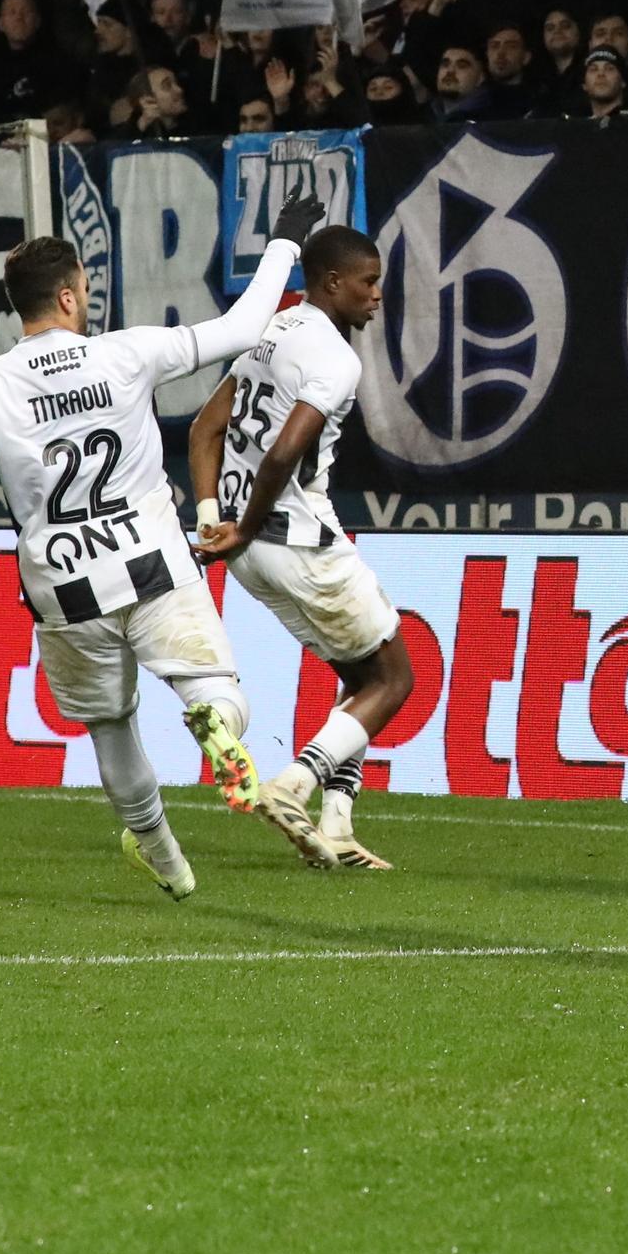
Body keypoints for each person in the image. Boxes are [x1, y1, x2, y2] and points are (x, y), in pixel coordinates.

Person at [0, 225, 307, 900]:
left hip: (65, 589)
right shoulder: (128, 353)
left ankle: (170, 866)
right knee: (216, 689)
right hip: (152, 563)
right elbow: (244, 324)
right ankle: (216, 726)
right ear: (69, 296)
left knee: (110, 726)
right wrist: (285, 243)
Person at [195, 226, 419, 874]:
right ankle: (295, 785)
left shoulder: (271, 328)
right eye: (368, 282)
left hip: (248, 557)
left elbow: (206, 429)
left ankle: (339, 828)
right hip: (294, 541)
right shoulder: (335, 359)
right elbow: (285, 453)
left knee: (358, 681)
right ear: (331, 283)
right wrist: (245, 524)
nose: (378, 295)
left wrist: (218, 521)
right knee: (394, 679)